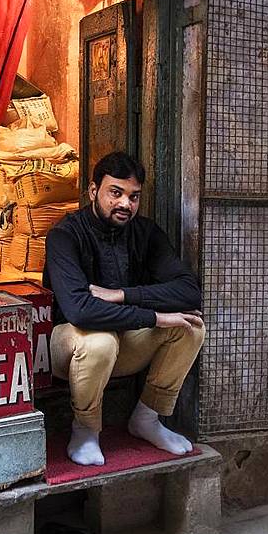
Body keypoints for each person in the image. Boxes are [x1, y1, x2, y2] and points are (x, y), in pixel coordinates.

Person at [44, 151, 205, 467]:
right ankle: (86, 429)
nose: (125, 204)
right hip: (70, 347)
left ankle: (146, 418)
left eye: (133, 197)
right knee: (100, 340)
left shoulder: (146, 233)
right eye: (115, 193)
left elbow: (189, 291)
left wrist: (121, 294)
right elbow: (80, 311)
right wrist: (155, 316)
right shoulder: (64, 235)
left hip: (124, 344)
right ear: (94, 192)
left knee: (191, 326)